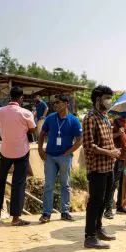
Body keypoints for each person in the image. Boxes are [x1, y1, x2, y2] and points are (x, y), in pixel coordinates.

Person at [83, 85, 122, 249]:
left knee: (105, 200)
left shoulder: (105, 117)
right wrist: (109, 153)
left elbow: (107, 140)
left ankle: (98, 229)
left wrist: (113, 151)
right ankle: (89, 236)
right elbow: (88, 145)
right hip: (97, 167)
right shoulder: (90, 118)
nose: (109, 101)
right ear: (98, 100)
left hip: (108, 166)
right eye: (107, 98)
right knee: (95, 201)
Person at [0, 86, 36, 226]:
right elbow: (33, 128)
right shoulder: (26, 112)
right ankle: (16, 218)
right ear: (21, 98)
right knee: (18, 183)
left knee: (1, 179)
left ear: (10, 96)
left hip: (5, 150)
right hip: (21, 151)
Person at [38, 94, 83, 223]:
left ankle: (65, 212)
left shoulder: (73, 120)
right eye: (54, 103)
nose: (55, 105)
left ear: (66, 104)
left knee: (65, 185)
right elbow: (42, 134)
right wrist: (40, 149)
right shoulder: (51, 118)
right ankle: (46, 213)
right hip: (50, 156)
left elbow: (80, 139)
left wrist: (69, 152)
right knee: (48, 185)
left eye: (58, 102)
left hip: (65, 157)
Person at [103, 113, 126, 218]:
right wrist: (118, 134)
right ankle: (108, 209)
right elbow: (107, 137)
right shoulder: (113, 122)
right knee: (113, 184)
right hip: (116, 158)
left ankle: (120, 205)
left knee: (124, 184)